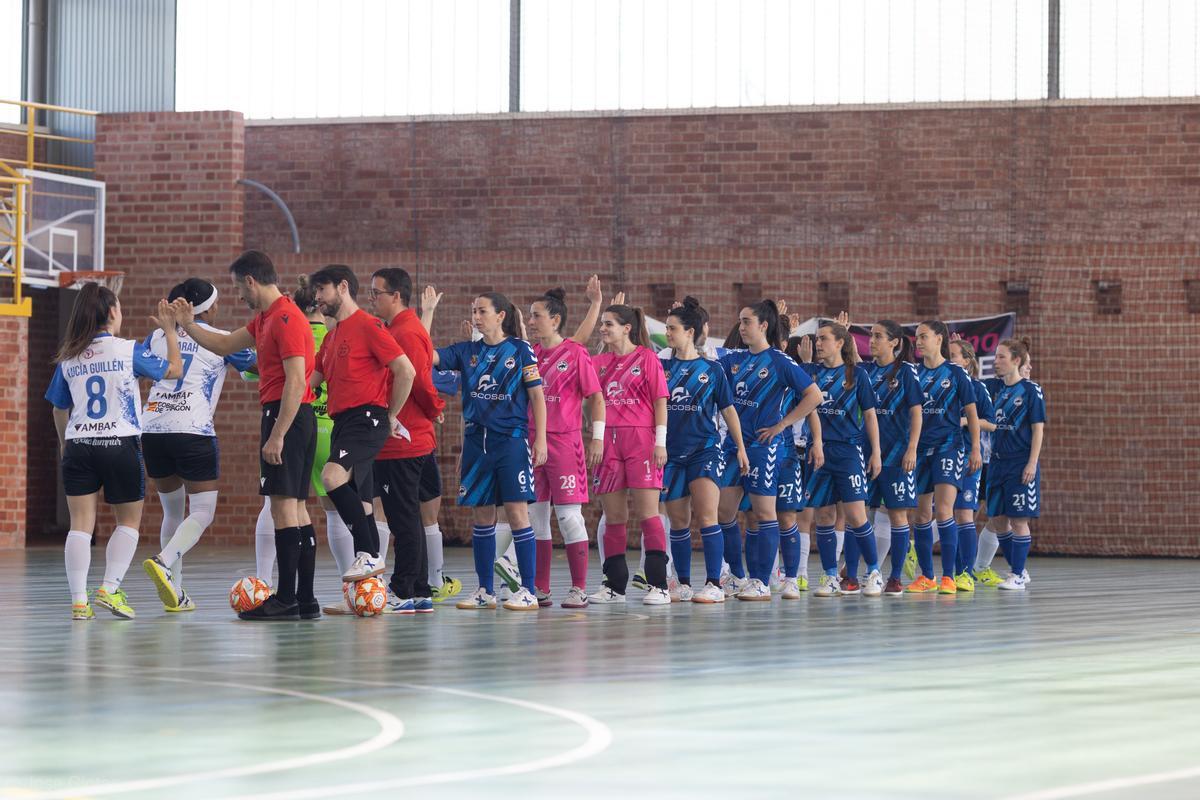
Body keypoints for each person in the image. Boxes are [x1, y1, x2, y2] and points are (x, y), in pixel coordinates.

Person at [174, 249, 320, 621]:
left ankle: (286, 598)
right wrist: (188, 324)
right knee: (297, 509)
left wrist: (278, 435)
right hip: (290, 418)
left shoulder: (286, 318)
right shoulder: (266, 318)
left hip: (287, 417)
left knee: (283, 508)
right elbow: (224, 345)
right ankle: (305, 599)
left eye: (239, 287)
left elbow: (297, 380)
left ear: (251, 281)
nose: (238, 295)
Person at [47, 283, 182, 620]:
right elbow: (174, 371)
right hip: (119, 443)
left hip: (79, 445)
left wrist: (67, 444)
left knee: (80, 525)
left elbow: (58, 409)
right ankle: (109, 588)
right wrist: (169, 331)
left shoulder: (68, 357)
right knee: (128, 522)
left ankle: (79, 602)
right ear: (110, 313)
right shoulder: (127, 350)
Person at [141, 279, 255, 612]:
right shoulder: (223, 339)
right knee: (202, 512)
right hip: (192, 430)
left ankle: (175, 593)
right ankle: (163, 561)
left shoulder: (158, 335)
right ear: (211, 308)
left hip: (154, 428)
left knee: (172, 512)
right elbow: (264, 367)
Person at [432, 292, 548, 611]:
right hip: (475, 445)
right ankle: (485, 590)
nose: (477, 316)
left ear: (500, 316)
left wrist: (540, 441)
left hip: (510, 442)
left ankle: (527, 590)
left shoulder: (520, 350)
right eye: (474, 311)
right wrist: (426, 314)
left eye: (483, 311)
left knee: (516, 513)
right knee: (482, 516)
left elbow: (537, 397)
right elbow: (426, 357)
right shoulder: (467, 351)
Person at [307, 265, 416, 585]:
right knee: (363, 503)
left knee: (331, 476)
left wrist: (391, 414)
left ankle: (369, 554)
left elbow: (405, 371)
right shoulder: (330, 338)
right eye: (315, 293)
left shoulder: (368, 326)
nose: (318, 299)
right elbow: (309, 383)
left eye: (322, 291)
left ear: (342, 287)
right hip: (343, 422)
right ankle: (368, 585)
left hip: (367, 419)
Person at [716, 300, 823, 601]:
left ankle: (764, 581)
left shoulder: (779, 361)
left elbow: (814, 396)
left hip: (766, 446)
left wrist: (783, 424)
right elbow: (704, 364)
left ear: (763, 325)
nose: (741, 327)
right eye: (740, 321)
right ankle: (737, 576)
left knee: (767, 514)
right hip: (735, 445)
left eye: (746, 321)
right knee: (723, 512)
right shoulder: (733, 360)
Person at [661, 298, 749, 604]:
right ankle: (682, 583)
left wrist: (740, 448)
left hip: (706, 451)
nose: (668, 333)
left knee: (708, 517)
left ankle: (714, 583)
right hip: (671, 455)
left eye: (672, 328)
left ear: (690, 332)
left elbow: (729, 412)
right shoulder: (661, 367)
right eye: (667, 328)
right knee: (678, 521)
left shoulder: (712, 369)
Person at [367, 267, 444, 614]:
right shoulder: (398, 329)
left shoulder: (406, 333)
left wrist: (432, 408)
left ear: (395, 296)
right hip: (409, 436)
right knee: (407, 514)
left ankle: (406, 588)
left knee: (403, 517)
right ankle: (420, 588)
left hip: (403, 439)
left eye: (376, 293)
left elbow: (419, 381)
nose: (372, 300)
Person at [524, 286, 605, 608]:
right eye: (529, 316)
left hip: (564, 444)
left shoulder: (575, 354)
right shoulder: (529, 354)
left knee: (569, 516)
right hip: (532, 443)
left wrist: (597, 436)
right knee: (535, 516)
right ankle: (539, 587)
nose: (531, 321)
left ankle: (578, 588)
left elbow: (596, 398)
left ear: (555, 320)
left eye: (536, 316)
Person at [588, 303, 671, 605]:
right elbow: (572, 353)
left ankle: (659, 585)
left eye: (608, 323)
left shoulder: (647, 358)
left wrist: (660, 442)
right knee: (614, 518)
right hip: (609, 442)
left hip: (642, 441)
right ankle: (614, 587)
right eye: (602, 323)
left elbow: (660, 402)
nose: (603, 328)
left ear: (626, 328)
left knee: (649, 516)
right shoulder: (598, 362)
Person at [802, 323, 883, 597]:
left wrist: (876, 452)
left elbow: (870, 415)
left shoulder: (857, 375)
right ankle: (829, 576)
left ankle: (872, 571)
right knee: (824, 516)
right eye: (817, 339)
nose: (818, 343)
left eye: (824, 339)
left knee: (856, 514)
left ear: (840, 343)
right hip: (819, 452)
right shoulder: (811, 373)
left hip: (849, 451)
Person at [906, 320, 982, 595]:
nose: (919, 342)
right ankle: (927, 576)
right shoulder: (913, 374)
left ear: (940, 339)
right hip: (920, 450)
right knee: (921, 513)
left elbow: (971, 413)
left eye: (924, 336)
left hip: (949, 447)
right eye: (917, 337)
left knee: (944, 510)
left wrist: (975, 448)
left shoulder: (956, 373)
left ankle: (949, 576)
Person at [861, 319, 923, 596]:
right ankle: (864, 572)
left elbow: (916, 412)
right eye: (871, 336)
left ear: (894, 342)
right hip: (866, 452)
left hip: (897, 454)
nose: (872, 341)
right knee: (862, 513)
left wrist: (912, 448)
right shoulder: (866, 371)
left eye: (878, 336)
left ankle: (895, 578)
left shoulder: (907, 371)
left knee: (898, 515)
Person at [984, 338, 1045, 591]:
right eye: (995, 357)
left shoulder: (1031, 391)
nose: (996, 362)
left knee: (1019, 520)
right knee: (998, 519)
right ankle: (1018, 568)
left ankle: (1017, 573)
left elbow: (1038, 429)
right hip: (997, 463)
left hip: (1020, 463)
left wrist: (1032, 463)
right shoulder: (994, 388)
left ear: (1016, 361)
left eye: (1001, 357)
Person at [948, 337, 997, 591]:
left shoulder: (977, 388)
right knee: (945, 515)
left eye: (954, 355)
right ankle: (948, 573)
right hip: (943, 456)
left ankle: (965, 573)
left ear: (967, 361)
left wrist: (968, 421)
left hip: (968, 456)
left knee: (965, 514)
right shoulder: (941, 384)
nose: (950, 359)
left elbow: (991, 422)